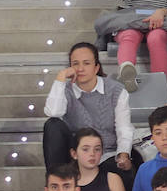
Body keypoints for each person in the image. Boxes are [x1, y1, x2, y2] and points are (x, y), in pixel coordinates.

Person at [42, 41, 135, 174]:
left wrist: (123, 153)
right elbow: (53, 112)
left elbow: (124, 127)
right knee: (52, 124)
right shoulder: (65, 90)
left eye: (86, 63)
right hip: (76, 155)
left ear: (96, 67)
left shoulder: (115, 90)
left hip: (106, 153)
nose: (80, 69)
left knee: (125, 172)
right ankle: (56, 182)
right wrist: (61, 77)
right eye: (75, 64)